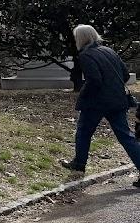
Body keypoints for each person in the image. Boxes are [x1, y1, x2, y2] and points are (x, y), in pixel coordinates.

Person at [60, 24, 140, 188]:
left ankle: (79, 164)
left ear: (80, 38)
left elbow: (94, 80)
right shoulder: (109, 51)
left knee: (83, 132)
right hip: (118, 101)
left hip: (96, 102)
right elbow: (124, 75)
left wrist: (83, 94)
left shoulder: (86, 55)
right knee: (126, 137)